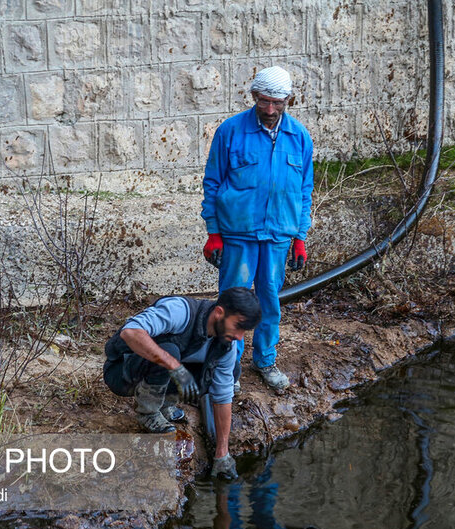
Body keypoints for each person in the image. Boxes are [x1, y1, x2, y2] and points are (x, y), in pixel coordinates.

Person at [201, 65, 314, 391]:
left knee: (269, 301)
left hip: (279, 235)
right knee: (232, 303)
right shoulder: (231, 132)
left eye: (277, 102)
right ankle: (226, 368)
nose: (269, 109)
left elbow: (304, 190)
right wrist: (214, 232)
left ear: (288, 100)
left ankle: (265, 360)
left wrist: (300, 237)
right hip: (238, 233)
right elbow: (212, 182)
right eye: (263, 101)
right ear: (253, 96)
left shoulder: (299, 137)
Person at [103, 287, 261, 480]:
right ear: (219, 312)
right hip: (123, 371)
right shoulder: (180, 311)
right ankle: (148, 412)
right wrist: (174, 366)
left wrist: (222, 453)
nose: (239, 336)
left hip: (161, 372)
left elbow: (222, 396)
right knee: (169, 351)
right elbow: (130, 333)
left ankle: (165, 404)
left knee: (231, 370)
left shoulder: (225, 344)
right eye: (238, 326)